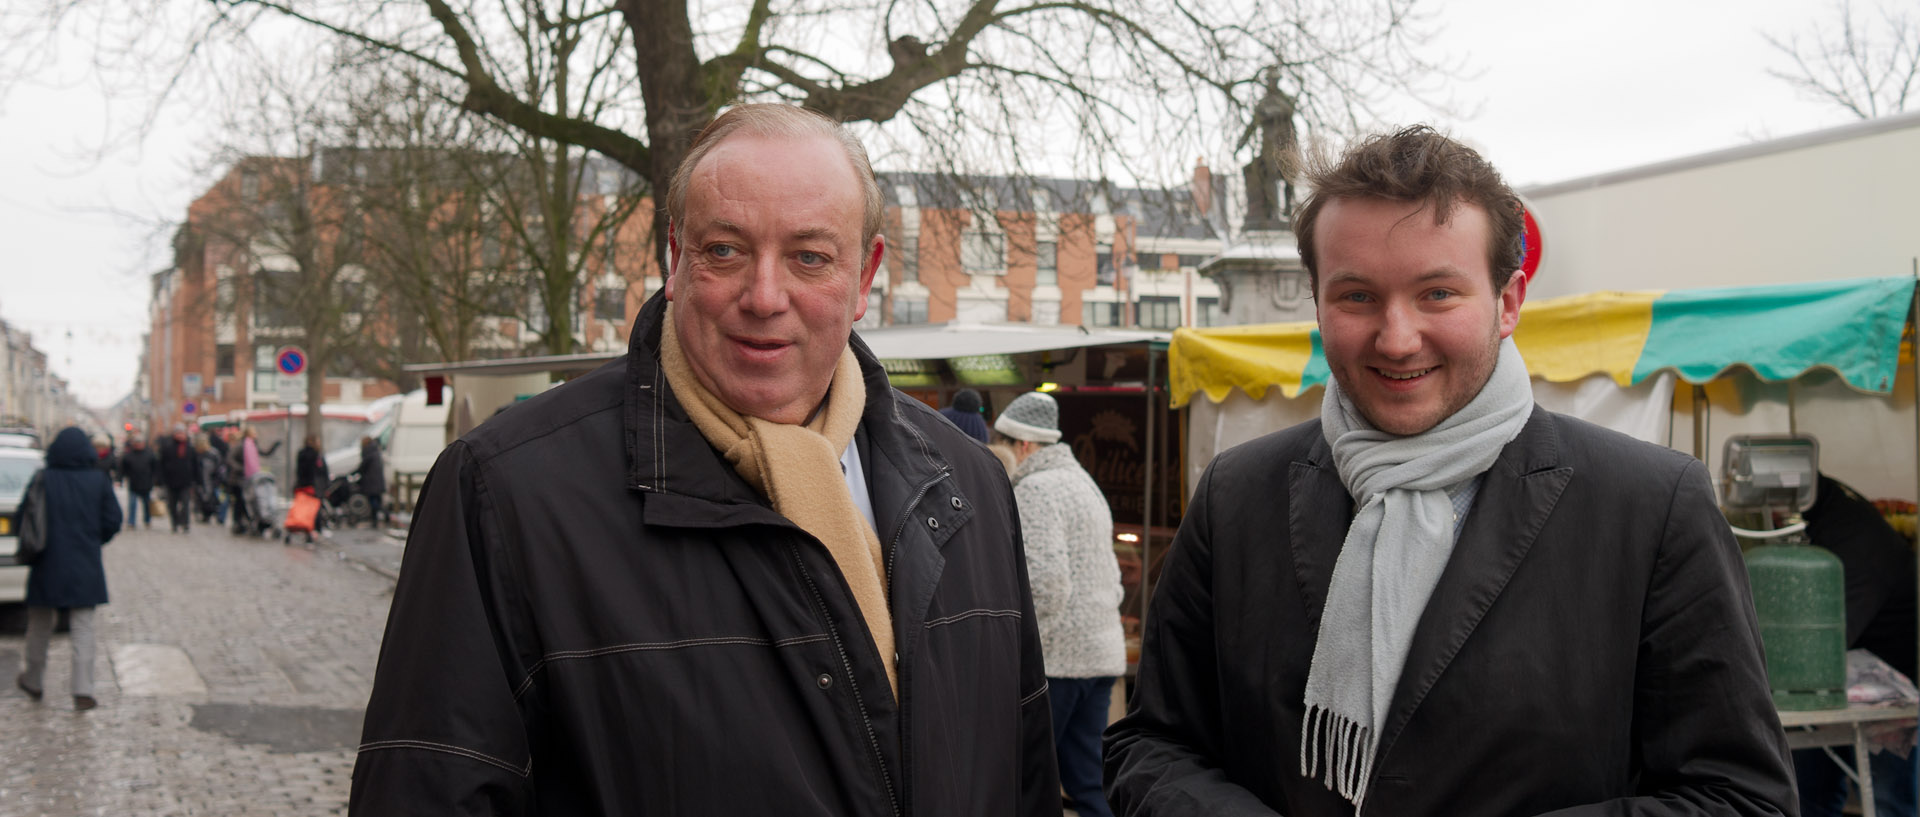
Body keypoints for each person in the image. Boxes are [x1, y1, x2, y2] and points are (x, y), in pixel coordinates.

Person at [350, 104, 1057, 815]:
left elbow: (1023, 778)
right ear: (674, 255)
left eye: (810, 256)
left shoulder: (973, 487)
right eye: (725, 250)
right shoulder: (503, 494)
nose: (765, 296)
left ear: (866, 272)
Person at [1104, 125, 1795, 816]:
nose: (1397, 338)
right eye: (1357, 297)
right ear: (1318, 303)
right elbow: (1151, 744)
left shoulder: (1652, 506)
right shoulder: (1235, 496)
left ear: (1509, 303)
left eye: (1437, 293)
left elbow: (1742, 797)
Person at [996, 391, 1126, 817]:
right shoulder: (1083, 482)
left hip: (1057, 663)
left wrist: (1026, 653)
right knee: (1086, 777)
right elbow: (1113, 576)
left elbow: (1047, 587)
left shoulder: (1035, 489)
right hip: (1102, 654)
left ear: (1025, 445)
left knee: (1024, 778)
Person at [1793, 472, 1919, 817]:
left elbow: (1829, 637)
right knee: (1811, 795)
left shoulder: (1856, 540)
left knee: (1889, 802)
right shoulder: (1826, 515)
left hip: (1893, 691)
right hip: (1837, 685)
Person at [15, 426, 122, 711]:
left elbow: (23, 519)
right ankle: (83, 689)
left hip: (46, 562)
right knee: (83, 628)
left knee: (39, 625)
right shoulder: (97, 480)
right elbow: (113, 519)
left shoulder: (43, 478)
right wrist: (94, 539)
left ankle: (34, 680)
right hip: (84, 563)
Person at [158, 424, 200, 533]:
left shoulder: (190, 448)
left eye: (182, 433)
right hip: (171, 481)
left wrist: (196, 479)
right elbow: (161, 464)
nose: (181, 435)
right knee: (172, 505)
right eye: (178, 433)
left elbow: (195, 464)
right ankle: (175, 523)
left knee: (185, 504)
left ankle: (185, 523)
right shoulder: (167, 447)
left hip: (186, 481)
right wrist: (161, 480)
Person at [294, 434, 330, 543]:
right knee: (315, 509)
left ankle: (306, 528)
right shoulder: (315, 455)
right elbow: (321, 471)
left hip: (302, 485)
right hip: (313, 486)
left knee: (304, 509)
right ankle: (315, 529)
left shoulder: (301, 454)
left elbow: (299, 471)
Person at [117, 435, 157, 530]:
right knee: (132, 504)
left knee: (146, 504)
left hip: (146, 483)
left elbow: (155, 468)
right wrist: (120, 479)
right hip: (133, 483)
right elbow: (123, 469)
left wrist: (155, 480)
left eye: (140, 443)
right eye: (137, 443)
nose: (138, 445)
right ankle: (131, 522)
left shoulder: (150, 454)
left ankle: (147, 520)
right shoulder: (128, 455)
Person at [352, 435, 386, 529]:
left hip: (371, 482)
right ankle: (383, 517)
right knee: (377, 500)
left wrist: (353, 473)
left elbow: (363, 466)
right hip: (377, 481)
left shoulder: (368, 452)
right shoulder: (376, 451)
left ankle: (377, 519)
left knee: (374, 502)